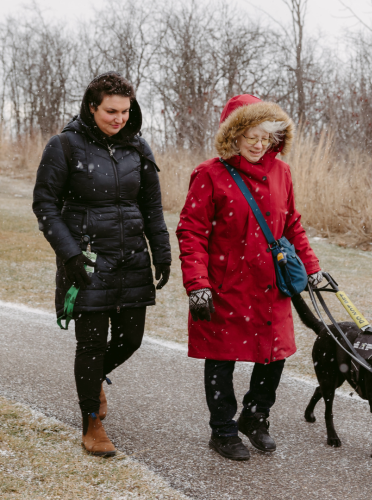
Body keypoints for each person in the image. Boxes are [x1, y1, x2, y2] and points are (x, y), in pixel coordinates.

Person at [176, 94, 323, 461]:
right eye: (251, 136)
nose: (260, 144)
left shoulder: (282, 172)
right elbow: (191, 232)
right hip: (225, 284)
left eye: (267, 136)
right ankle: (222, 430)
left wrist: (314, 268)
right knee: (222, 357)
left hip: (271, 283)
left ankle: (256, 417)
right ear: (234, 136)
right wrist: (198, 285)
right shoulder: (209, 174)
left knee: (275, 355)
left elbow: (292, 226)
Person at [33, 72, 171, 457]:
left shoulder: (139, 148)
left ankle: (92, 381)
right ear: (91, 107)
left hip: (132, 260)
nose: (119, 118)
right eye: (111, 111)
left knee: (131, 339)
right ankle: (90, 423)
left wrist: (162, 252)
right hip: (88, 260)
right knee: (91, 343)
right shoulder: (64, 146)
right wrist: (70, 254)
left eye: (125, 111)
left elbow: (152, 208)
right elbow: (44, 204)